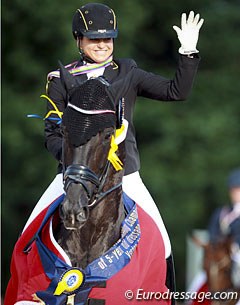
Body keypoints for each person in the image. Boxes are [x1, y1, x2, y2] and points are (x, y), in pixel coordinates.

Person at [21, 1, 203, 300]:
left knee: (164, 242)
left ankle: (165, 295)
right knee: (28, 234)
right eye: (94, 39)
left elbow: (176, 92)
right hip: (73, 176)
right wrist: (74, 166)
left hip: (125, 176)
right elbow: (52, 134)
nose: (103, 45)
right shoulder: (61, 79)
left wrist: (188, 53)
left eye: (107, 38)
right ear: (79, 40)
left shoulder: (127, 72)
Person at [208, 167, 240, 288]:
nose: (236, 193)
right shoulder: (221, 213)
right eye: (233, 190)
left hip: (238, 255)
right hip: (221, 256)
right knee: (198, 282)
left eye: (238, 189)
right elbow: (212, 233)